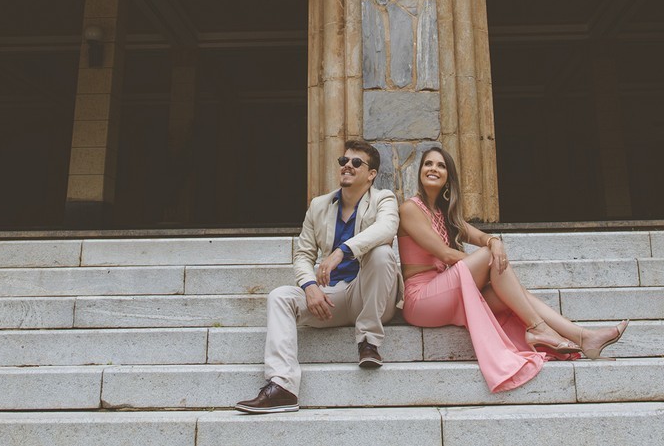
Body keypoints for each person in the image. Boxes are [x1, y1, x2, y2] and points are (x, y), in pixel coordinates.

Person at [399, 146, 628, 392]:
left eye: (441, 165)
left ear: (448, 177)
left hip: (446, 293)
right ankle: (538, 329)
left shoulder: (446, 215)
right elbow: (444, 254)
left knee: (510, 292)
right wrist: (487, 256)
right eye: (428, 164)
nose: (433, 169)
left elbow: (482, 236)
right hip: (421, 300)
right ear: (421, 171)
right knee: (490, 259)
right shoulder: (410, 209)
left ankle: (583, 336)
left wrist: (494, 241)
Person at [235, 138, 402, 413]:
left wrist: (341, 252)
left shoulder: (383, 199)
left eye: (356, 162)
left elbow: (386, 229)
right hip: (332, 297)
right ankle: (283, 386)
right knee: (280, 296)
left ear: (371, 174)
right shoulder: (319, 206)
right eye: (344, 161)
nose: (347, 166)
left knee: (382, 253)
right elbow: (303, 255)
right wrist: (310, 285)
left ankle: (368, 341)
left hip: (370, 295)